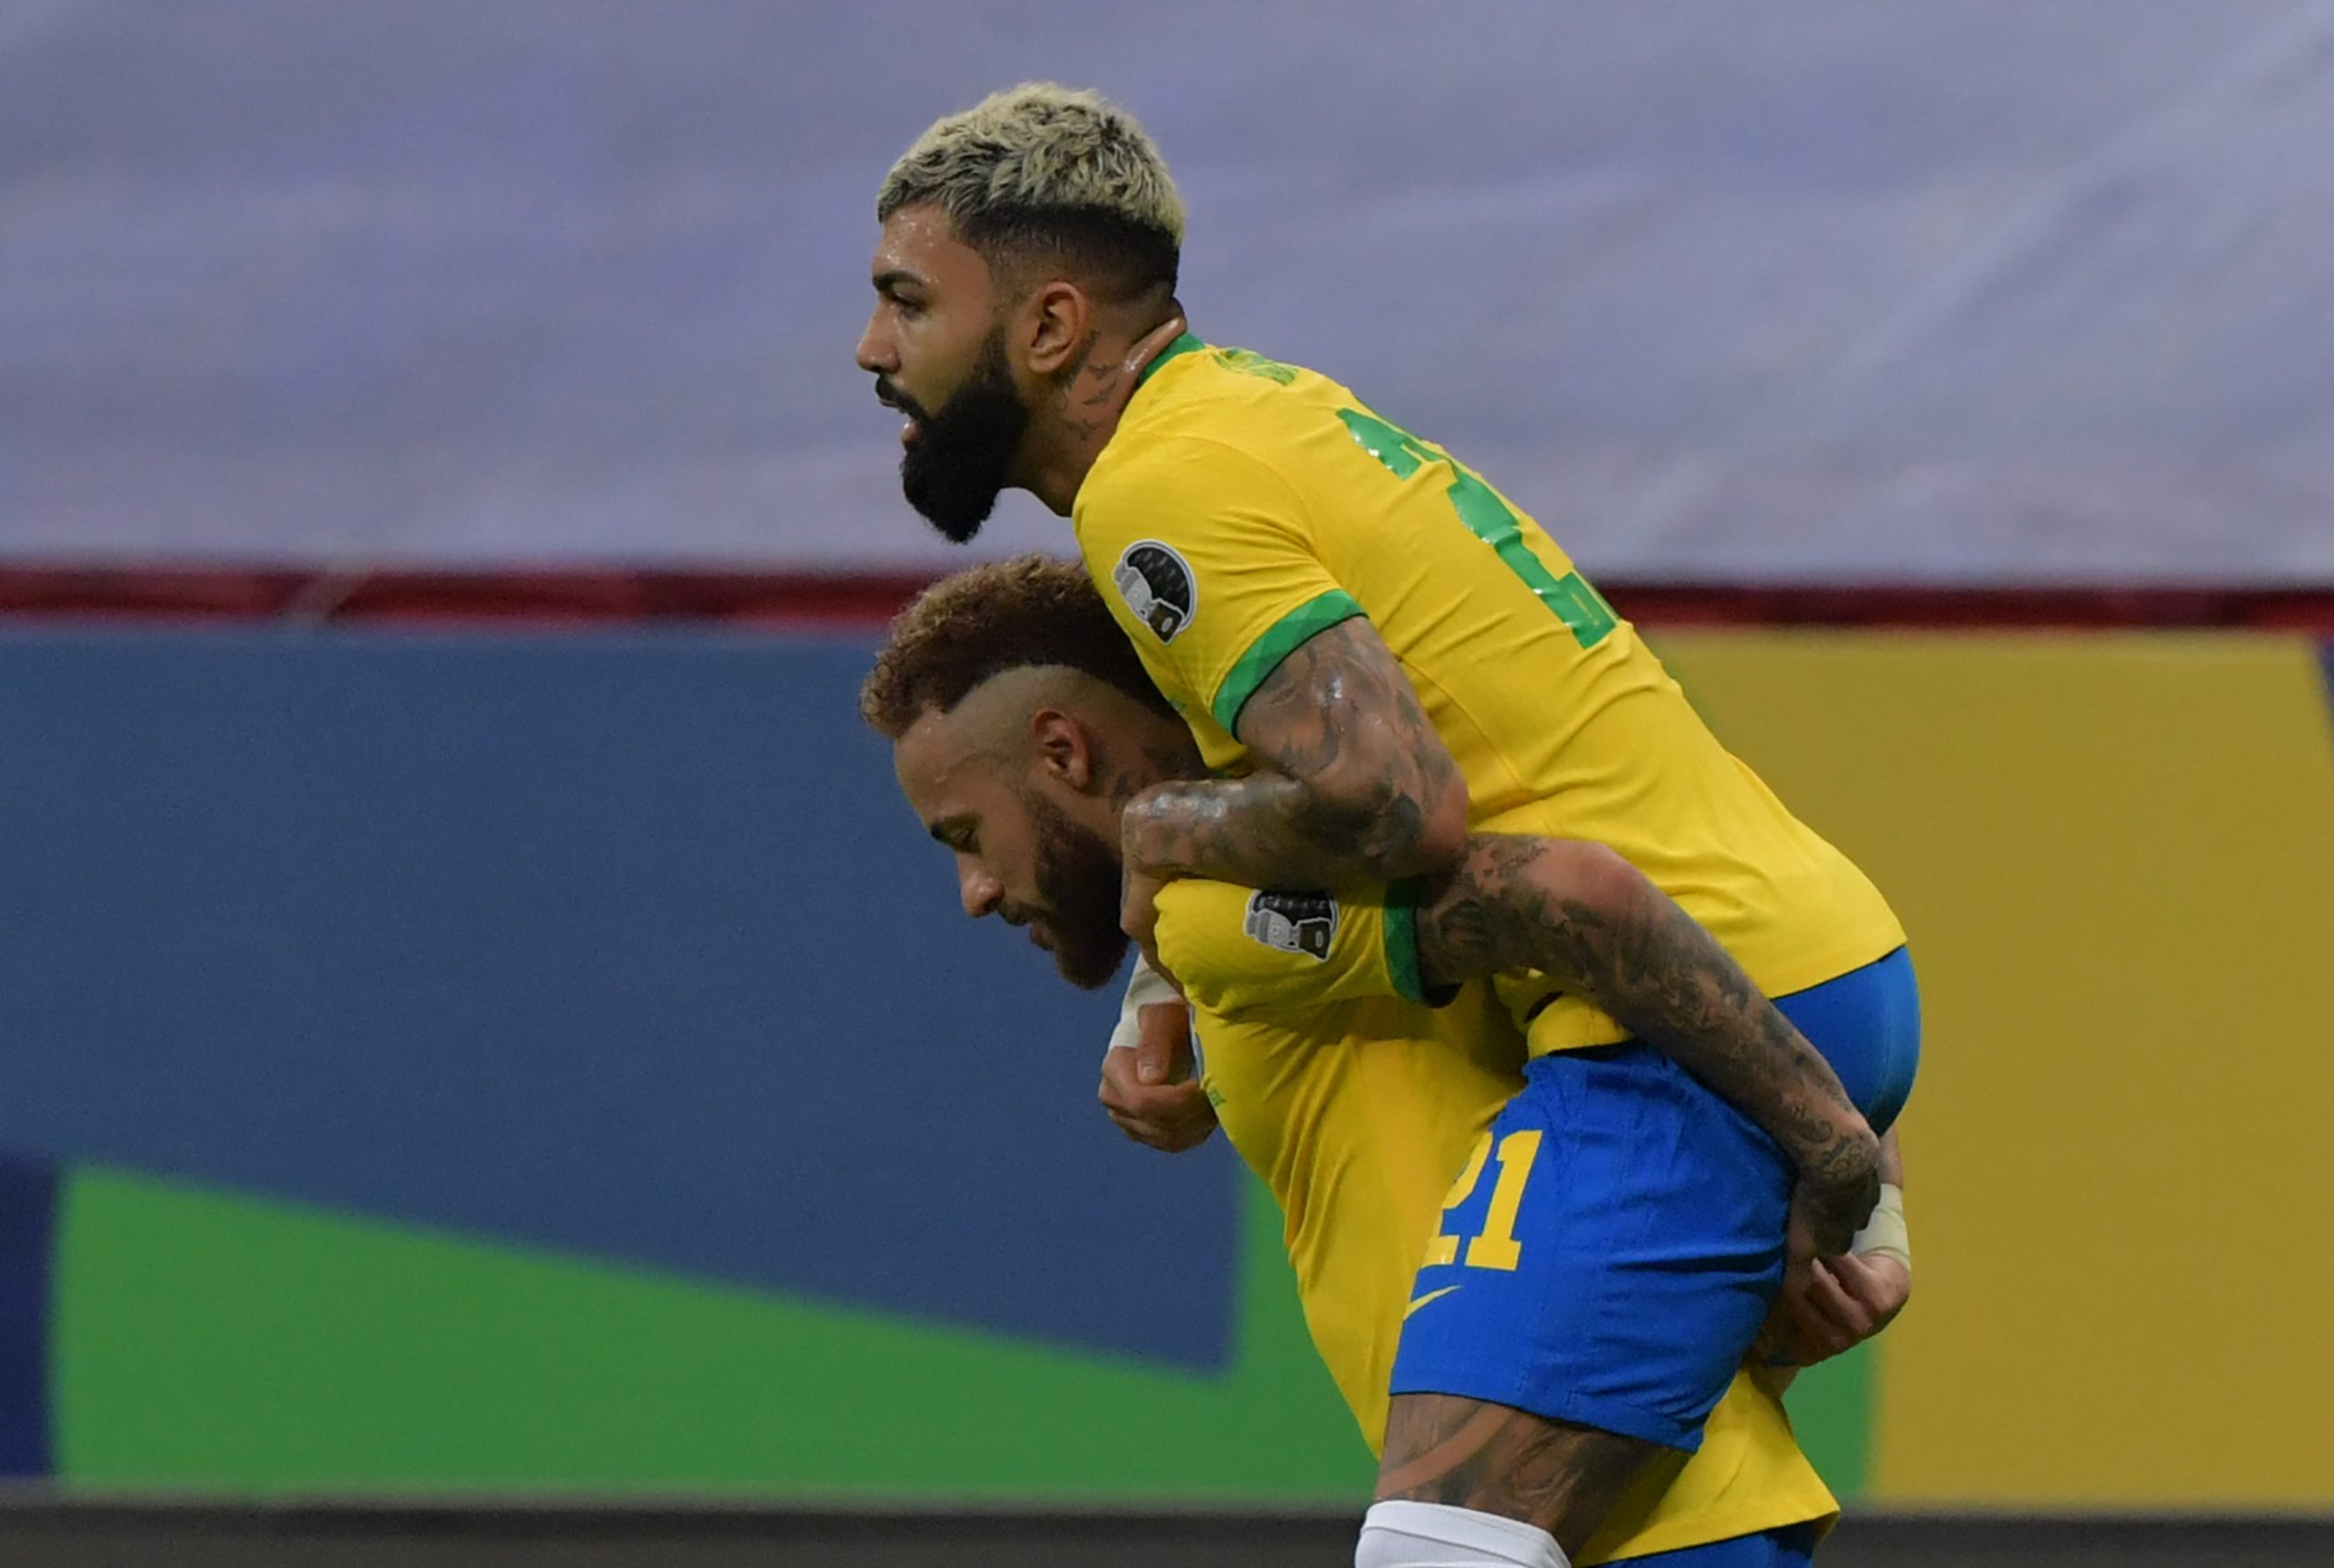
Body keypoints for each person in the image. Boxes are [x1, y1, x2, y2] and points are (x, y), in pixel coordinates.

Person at [853, 87, 1919, 1565]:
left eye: (906, 301)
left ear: (1044, 328)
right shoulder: (1258, 418)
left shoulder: (1160, 487)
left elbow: (1404, 808)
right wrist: (1161, 993)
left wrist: (1828, 1149)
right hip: (1741, 974)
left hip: (1683, 1005)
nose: (873, 352)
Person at [858, 557, 1914, 1566]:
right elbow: (1746, 964)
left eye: (965, 833)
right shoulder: (1263, 885)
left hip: (1628, 1512)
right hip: (1591, 1496)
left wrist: (1864, 1197)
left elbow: (1647, 921)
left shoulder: (1262, 894)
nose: (974, 890)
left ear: (1062, 752)